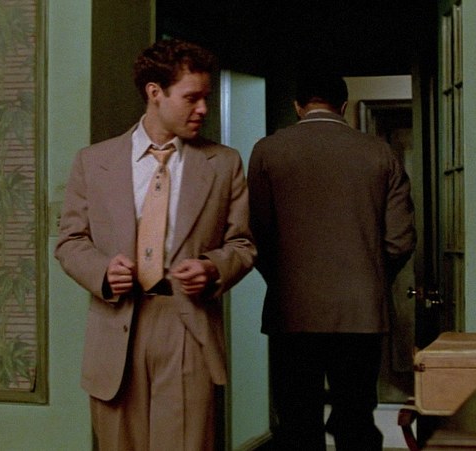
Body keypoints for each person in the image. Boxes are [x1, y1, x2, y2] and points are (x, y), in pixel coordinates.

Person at [55, 39, 255, 450]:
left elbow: (242, 244)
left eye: (206, 98)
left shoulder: (224, 163)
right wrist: (102, 271)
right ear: (154, 92)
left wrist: (213, 268)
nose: (203, 109)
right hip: (116, 327)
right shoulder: (93, 161)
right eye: (191, 98)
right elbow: (70, 241)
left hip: (187, 325)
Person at [248, 72, 416, 451]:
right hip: (359, 312)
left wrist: (284, 279)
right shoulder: (379, 152)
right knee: (356, 421)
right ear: (343, 105)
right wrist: (370, 275)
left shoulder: (268, 151)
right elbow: (400, 240)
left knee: (297, 425)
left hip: (291, 311)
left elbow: (255, 234)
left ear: (298, 106)